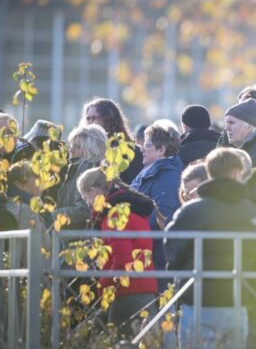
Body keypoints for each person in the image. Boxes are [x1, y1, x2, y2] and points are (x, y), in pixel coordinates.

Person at [164, 148, 256, 349]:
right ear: (236, 173)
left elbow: (172, 249)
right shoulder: (249, 210)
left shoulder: (192, 210)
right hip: (236, 298)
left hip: (198, 299)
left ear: (209, 172)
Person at [77, 168, 157, 338]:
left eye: (85, 198)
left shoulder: (114, 216)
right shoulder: (133, 210)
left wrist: (102, 285)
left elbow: (122, 262)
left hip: (126, 293)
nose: (87, 204)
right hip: (146, 289)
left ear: (94, 191)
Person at [130, 124, 183, 290]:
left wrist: (134, 227)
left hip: (156, 255)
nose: (142, 150)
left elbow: (163, 217)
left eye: (147, 145)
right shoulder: (151, 171)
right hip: (146, 251)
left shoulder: (168, 176)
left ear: (161, 150)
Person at [80, 97, 143, 184]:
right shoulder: (83, 151)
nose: (90, 123)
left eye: (94, 118)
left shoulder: (129, 151)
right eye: (88, 119)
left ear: (108, 120)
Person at [55, 124, 107, 229]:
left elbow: (83, 210)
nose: (70, 150)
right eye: (71, 145)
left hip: (78, 237)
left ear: (92, 149)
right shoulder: (77, 166)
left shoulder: (86, 168)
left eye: (77, 146)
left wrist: (51, 216)